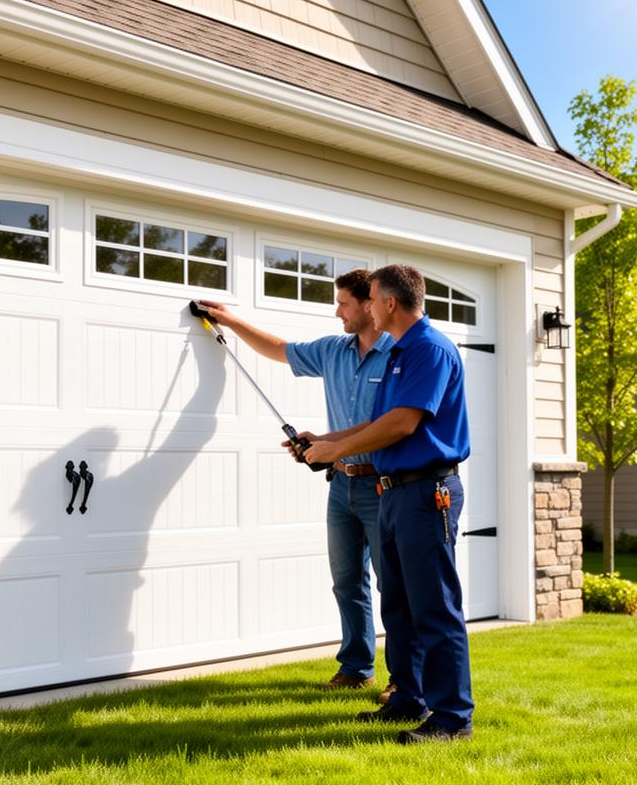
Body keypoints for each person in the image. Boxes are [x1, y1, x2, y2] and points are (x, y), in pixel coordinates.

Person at [199, 270, 397, 696]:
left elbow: (388, 423)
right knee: (347, 581)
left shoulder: (398, 354)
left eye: (344, 302)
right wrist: (230, 321)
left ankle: (403, 679)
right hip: (340, 485)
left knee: (393, 585)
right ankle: (356, 667)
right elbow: (280, 350)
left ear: (370, 304)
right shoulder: (332, 351)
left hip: (382, 485)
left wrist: (327, 441)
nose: (337, 311)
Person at [302, 264, 473, 742]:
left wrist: (335, 452)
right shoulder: (397, 354)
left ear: (391, 304)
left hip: (427, 493)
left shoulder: (429, 350)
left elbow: (402, 424)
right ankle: (408, 699)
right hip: (393, 491)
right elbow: (371, 425)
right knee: (397, 605)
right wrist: (326, 438)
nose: (368, 307)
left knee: (434, 608)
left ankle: (452, 718)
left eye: (372, 299)